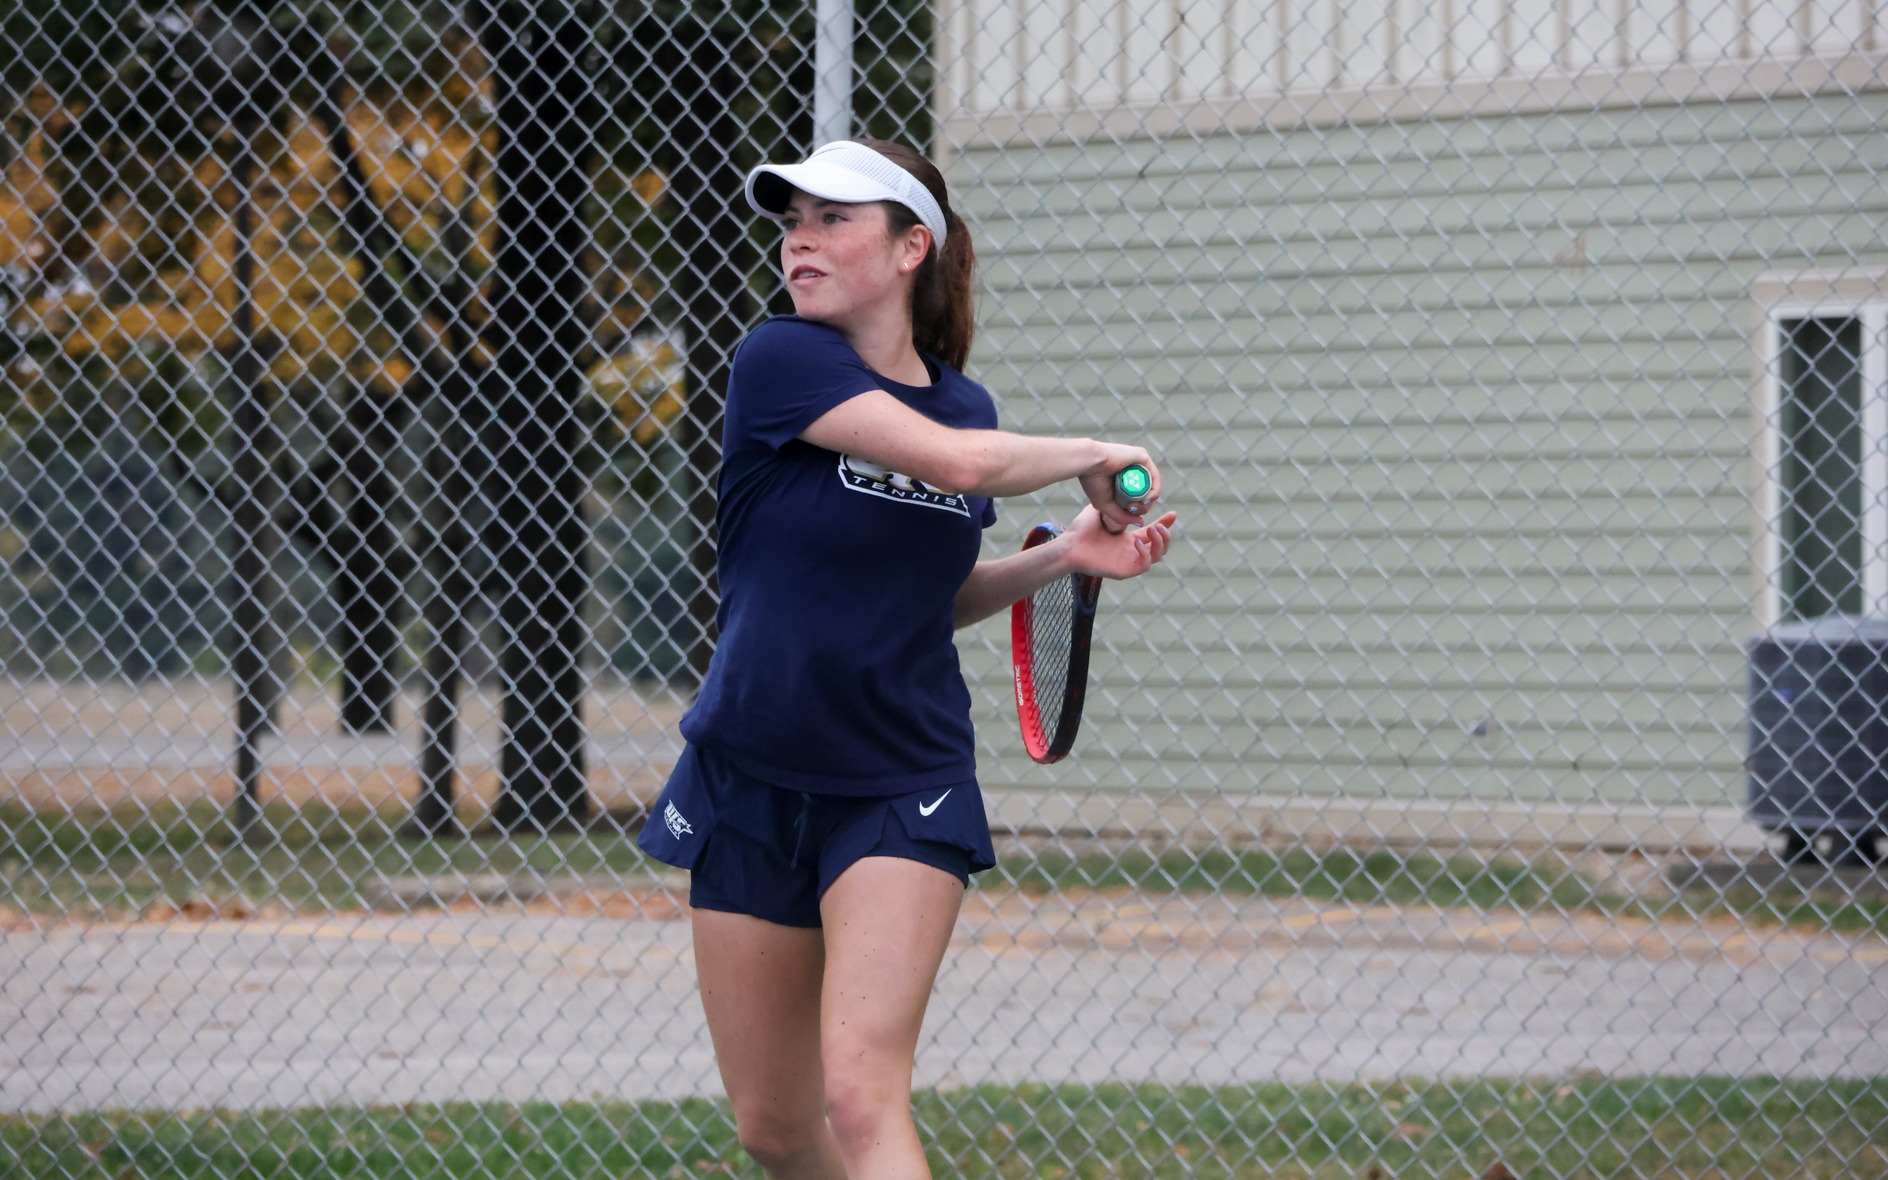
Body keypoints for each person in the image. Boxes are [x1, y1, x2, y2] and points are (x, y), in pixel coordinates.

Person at [637, 137, 1179, 1180]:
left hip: (900, 779)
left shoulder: (962, 404)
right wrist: (1095, 453)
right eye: (792, 218)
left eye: (834, 217)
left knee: (859, 1092)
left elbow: (927, 600)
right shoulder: (780, 362)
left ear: (908, 247)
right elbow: (958, 466)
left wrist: (1065, 553)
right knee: (776, 1129)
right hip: (746, 773)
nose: (800, 235)